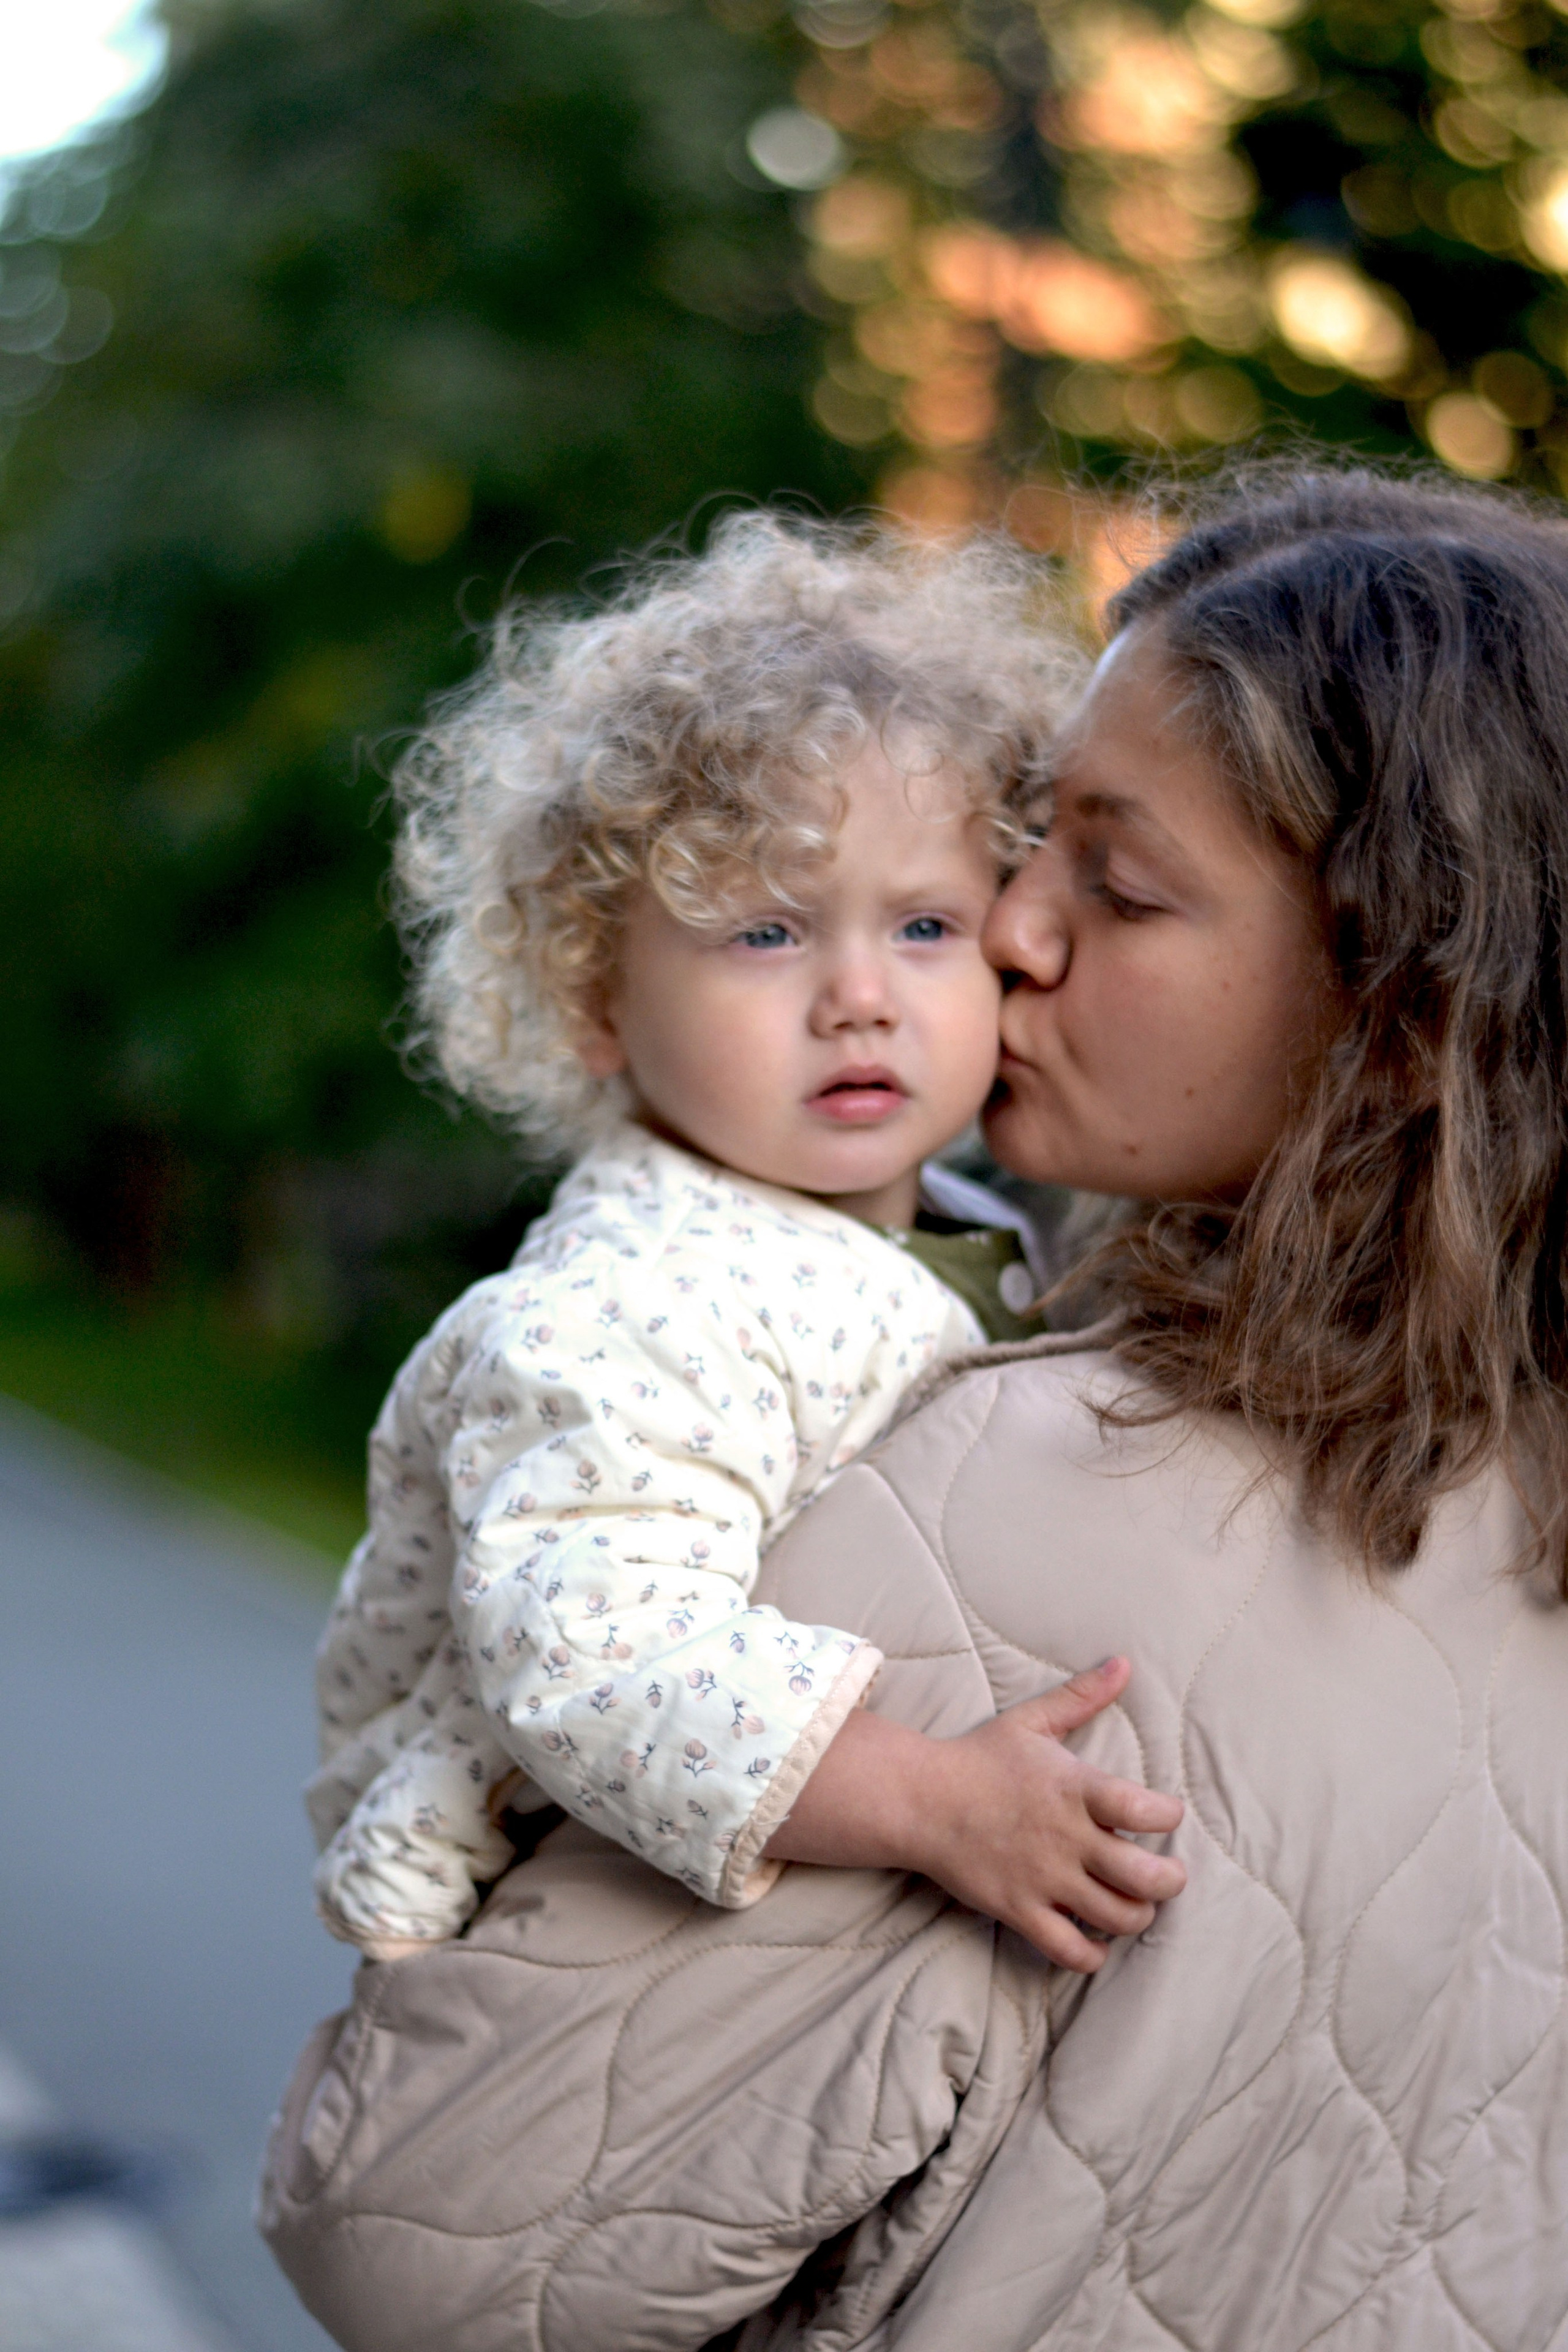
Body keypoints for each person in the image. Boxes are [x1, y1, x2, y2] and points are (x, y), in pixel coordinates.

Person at [263, 466, 1568, 2352]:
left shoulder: (1003, 1509)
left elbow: (415, 2242)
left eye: (1108, 884)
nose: (1010, 929)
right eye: (1033, 844)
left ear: (1409, 1008)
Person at [309, 511, 1183, 1964]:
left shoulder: (977, 1241)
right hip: (572, 1935)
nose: (857, 995)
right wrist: (937, 1805)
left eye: (922, 927)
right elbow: (600, 1663)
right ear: (595, 999)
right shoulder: (629, 1308)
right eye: (766, 935)